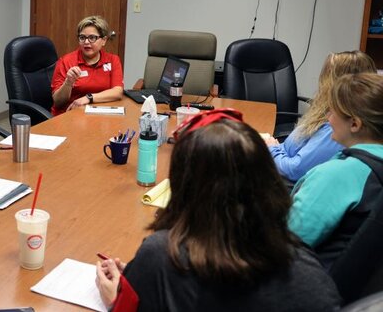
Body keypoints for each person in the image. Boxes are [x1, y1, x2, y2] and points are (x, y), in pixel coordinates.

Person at [96, 109, 340, 312]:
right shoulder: (309, 272)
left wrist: (118, 299)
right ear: (270, 181)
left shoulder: (161, 257)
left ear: (183, 185)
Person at [288, 73, 383, 267]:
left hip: (313, 287)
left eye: (332, 111)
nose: (328, 118)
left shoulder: (337, 176)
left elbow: (284, 243)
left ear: (355, 124)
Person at [265, 51, 376, 182]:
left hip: (281, 182)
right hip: (276, 160)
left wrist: (272, 149)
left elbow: (295, 170)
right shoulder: (327, 113)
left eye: (326, 75)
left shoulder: (337, 127)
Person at [50, 15, 124, 116]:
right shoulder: (66, 61)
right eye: (82, 37)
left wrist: (88, 98)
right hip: (68, 116)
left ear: (104, 40)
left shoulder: (113, 60)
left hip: (98, 114)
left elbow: (117, 92)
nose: (86, 42)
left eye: (92, 38)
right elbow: (58, 102)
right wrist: (68, 82)